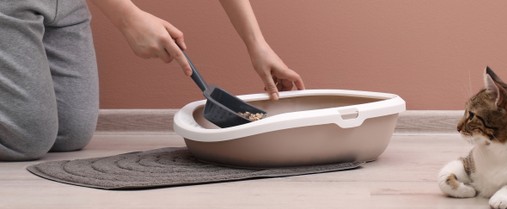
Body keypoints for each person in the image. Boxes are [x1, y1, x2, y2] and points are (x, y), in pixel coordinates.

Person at [0, 0, 304, 161]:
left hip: (65, 6)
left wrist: (257, 45)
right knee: (28, 139)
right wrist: (127, 16)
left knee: (71, 134)